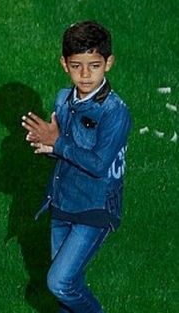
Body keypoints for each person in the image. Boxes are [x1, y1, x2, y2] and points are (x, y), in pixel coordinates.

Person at [22, 21, 131, 313]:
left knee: (60, 282)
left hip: (94, 208)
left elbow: (98, 164)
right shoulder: (62, 99)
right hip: (63, 202)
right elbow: (65, 151)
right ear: (63, 64)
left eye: (94, 65)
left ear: (108, 63)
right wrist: (48, 147)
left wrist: (57, 144)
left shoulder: (115, 112)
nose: (85, 74)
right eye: (76, 66)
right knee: (66, 288)